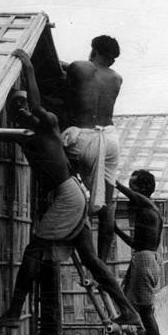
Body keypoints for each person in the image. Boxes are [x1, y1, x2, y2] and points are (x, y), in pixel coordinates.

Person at [0, 49, 140, 328]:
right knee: (90, 258)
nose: (22, 110)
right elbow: (1, 135)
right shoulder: (28, 135)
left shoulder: (48, 124)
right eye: (16, 107)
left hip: (70, 196)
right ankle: (128, 310)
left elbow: (37, 106)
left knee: (34, 250)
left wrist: (29, 69)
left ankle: (13, 313)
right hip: (76, 192)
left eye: (24, 105)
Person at [61, 35, 123, 261]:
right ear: (112, 59)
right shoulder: (117, 78)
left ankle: (68, 242)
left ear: (93, 51)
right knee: (108, 204)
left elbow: (67, 95)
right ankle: (103, 262)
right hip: (110, 139)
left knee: (65, 186)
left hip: (85, 139)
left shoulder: (79, 67)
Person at [114, 170, 166, 335]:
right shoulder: (148, 211)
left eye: (132, 185)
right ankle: (132, 319)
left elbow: (133, 196)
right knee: (137, 306)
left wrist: (113, 182)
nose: (130, 189)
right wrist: (115, 230)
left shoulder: (148, 206)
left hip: (145, 261)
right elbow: (136, 244)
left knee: (146, 313)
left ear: (143, 189)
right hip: (144, 257)